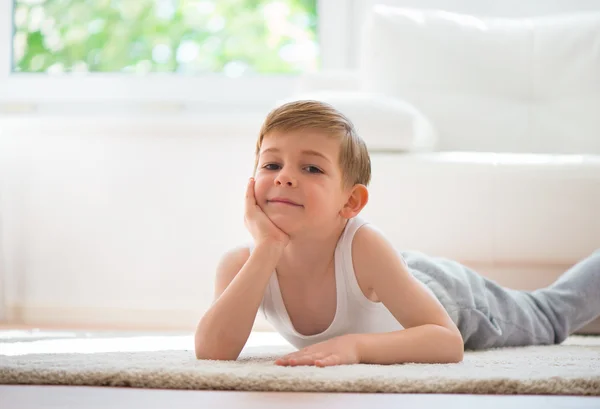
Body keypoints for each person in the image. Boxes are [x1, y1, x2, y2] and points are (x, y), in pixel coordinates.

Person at [194, 100, 600, 367]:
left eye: (311, 168)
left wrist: (357, 347)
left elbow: (446, 340)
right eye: (270, 165)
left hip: (450, 299)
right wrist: (267, 248)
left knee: (549, 316)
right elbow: (213, 352)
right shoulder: (240, 263)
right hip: (388, 283)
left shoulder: (365, 243)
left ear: (350, 203)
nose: (284, 179)